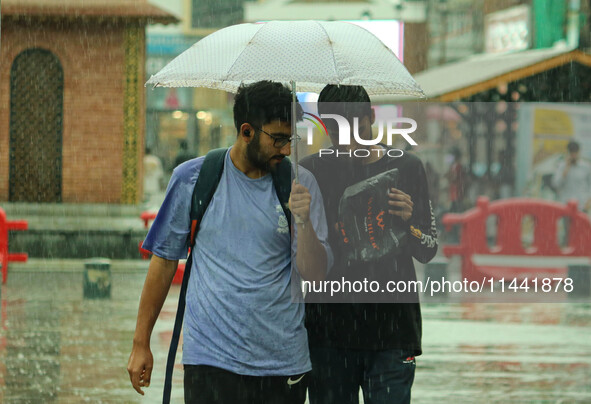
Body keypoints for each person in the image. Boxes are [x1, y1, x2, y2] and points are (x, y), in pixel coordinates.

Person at [127, 81, 332, 404]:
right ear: (247, 131)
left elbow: (315, 274)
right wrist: (141, 342)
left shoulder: (300, 185)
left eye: (289, 140)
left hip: (282, 365)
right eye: (277, 139)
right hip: (210, 360)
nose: (286, 149)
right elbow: (164, 261)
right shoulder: (193, 180)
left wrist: (303, 222)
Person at [300, 85, 438, 404]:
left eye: (354, 127)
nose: (345, 138)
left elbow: (428, 249)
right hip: (328, 333)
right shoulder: (309, 172)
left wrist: (409, 224)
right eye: (334, 128)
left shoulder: (407, 167)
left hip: (393, 334)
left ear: (371, 118)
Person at [552, 140, 591, 212]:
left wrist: (589, 200)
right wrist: (565, 170)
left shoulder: (586, 167)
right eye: (571, 152)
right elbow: (556, 185)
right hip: (566, 205)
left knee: (582, 223)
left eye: (575, 152)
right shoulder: (561, 166)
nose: (573, 155)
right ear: (568, 152)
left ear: (579, 152)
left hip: (582, 205)